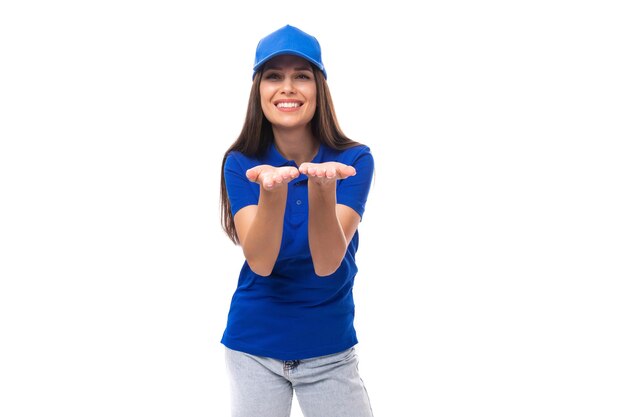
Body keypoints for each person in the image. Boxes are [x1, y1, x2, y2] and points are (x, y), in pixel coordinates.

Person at [219, 24, 375, 417]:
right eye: (274, 76)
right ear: (259, 90)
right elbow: (261, 261)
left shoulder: (354, 162)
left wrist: (324, 189)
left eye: (301, 76)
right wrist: (272, 194)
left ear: (319, 89)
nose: (287, 87)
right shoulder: (240, 164)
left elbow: (327, 263)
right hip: (253, 347)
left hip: (330, 351)